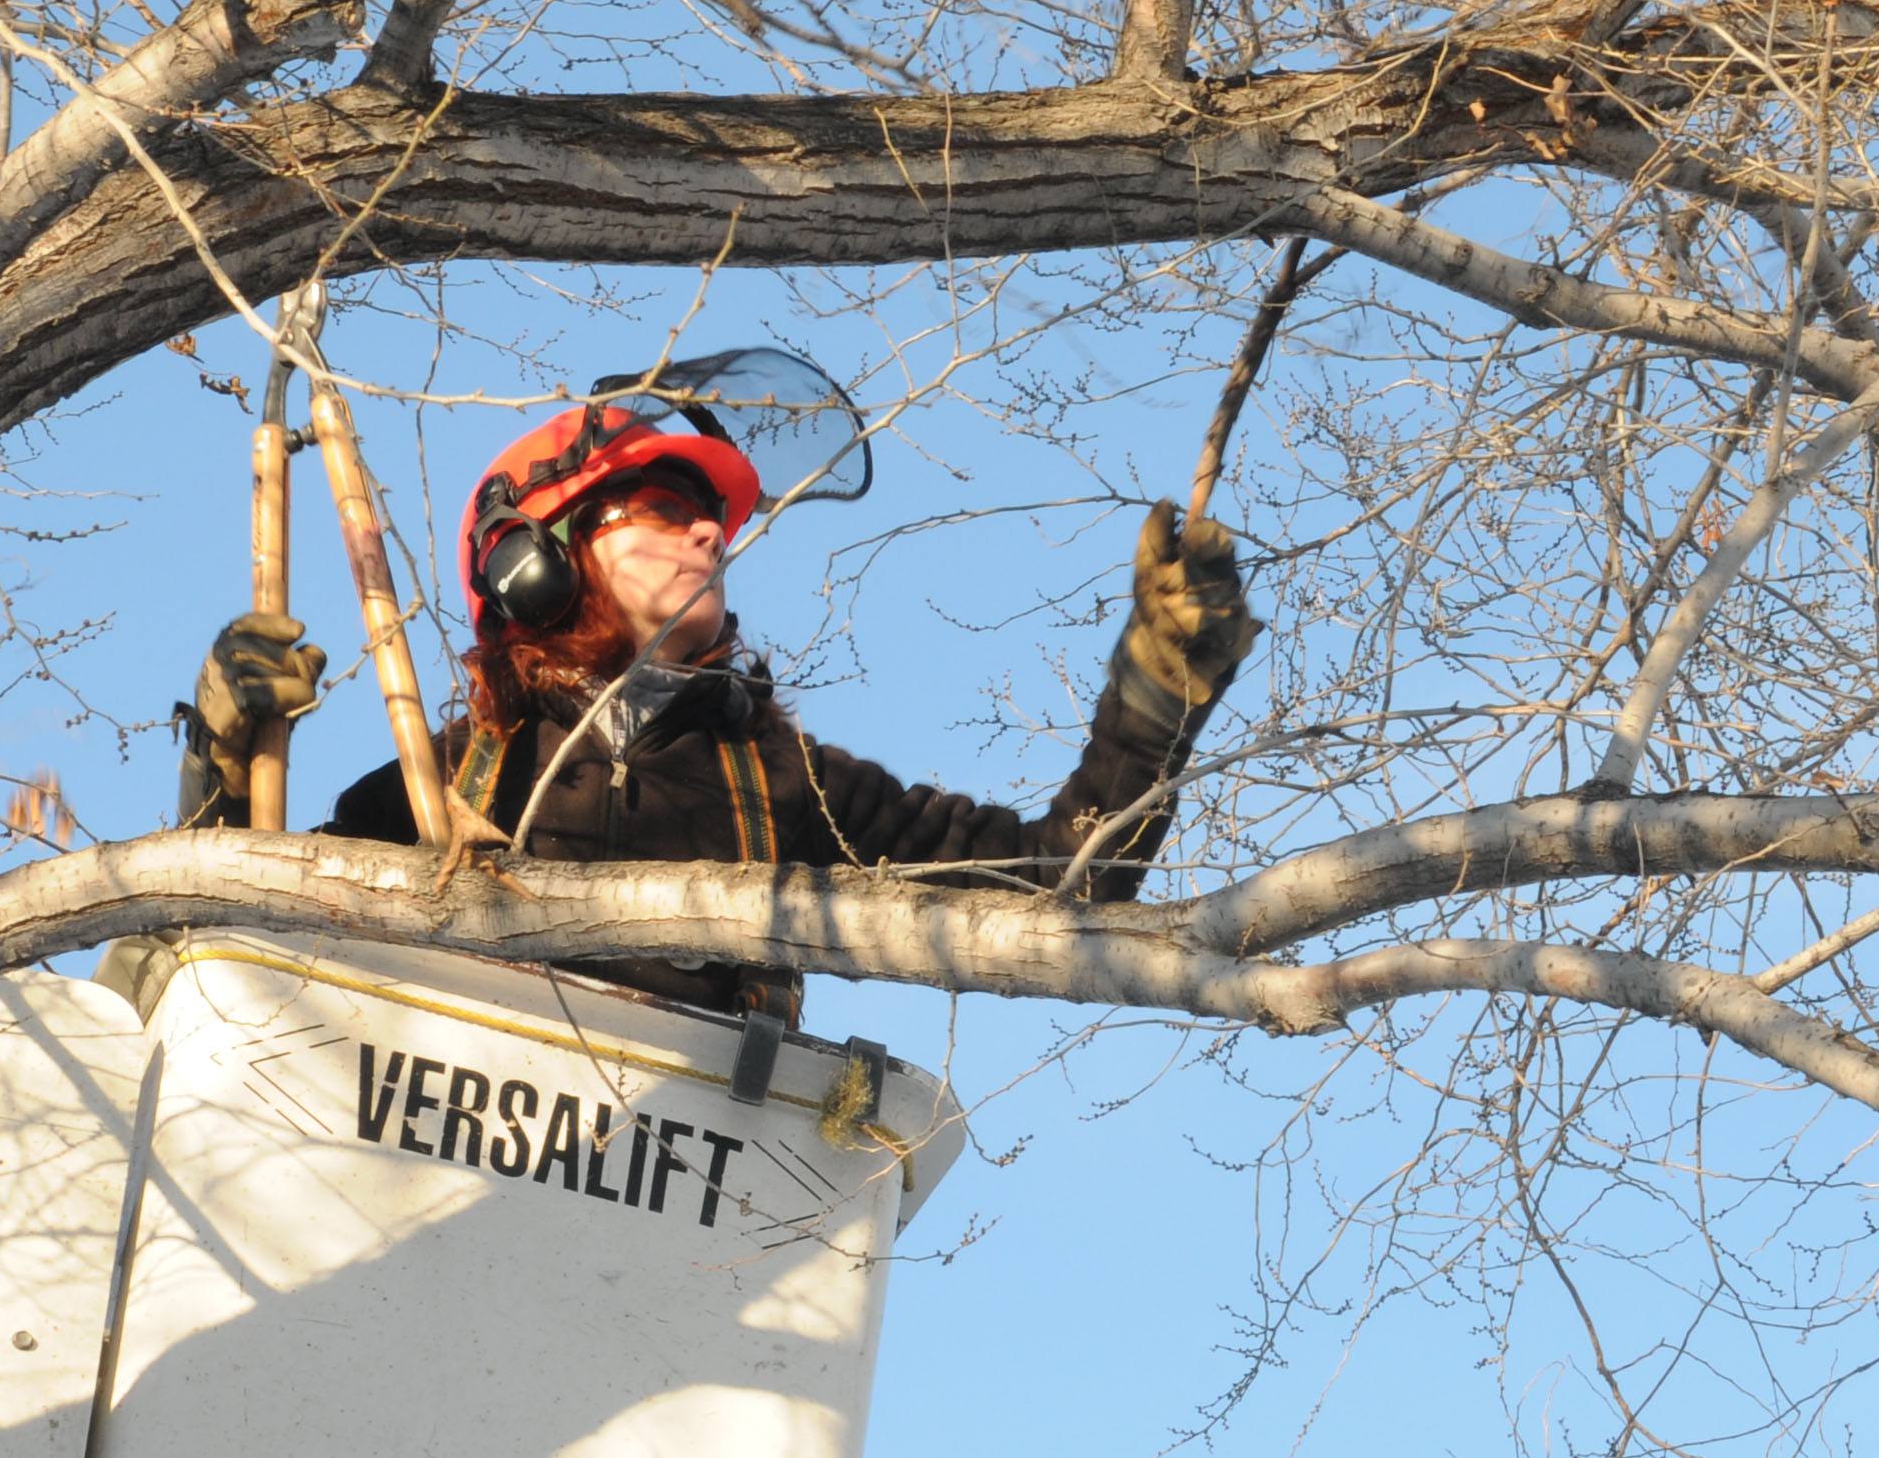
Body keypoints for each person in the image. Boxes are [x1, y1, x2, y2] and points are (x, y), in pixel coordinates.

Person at [176, 397, 1260, 1020]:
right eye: (662, 509)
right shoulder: (448, 777)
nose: (711, 535)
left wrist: (1156, 692)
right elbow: (227, 949)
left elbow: (1063, 884)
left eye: (714, 522)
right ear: (534, 568)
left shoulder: (788, 781)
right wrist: (225, 761)